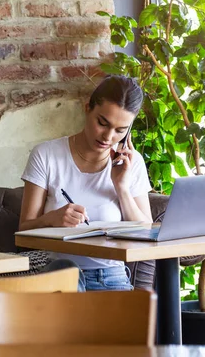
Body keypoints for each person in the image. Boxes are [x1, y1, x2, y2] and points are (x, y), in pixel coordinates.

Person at [19, 75, 153, 291]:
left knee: (140, 321)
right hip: (61, 275)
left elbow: (147, 232)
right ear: (87, 108)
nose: (108, 136)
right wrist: (52, 219)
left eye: (120, 130)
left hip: (112, 276)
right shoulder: (46, 155)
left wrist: (122, 188)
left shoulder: (131, 162)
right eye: (102, 123)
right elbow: (23, 231)